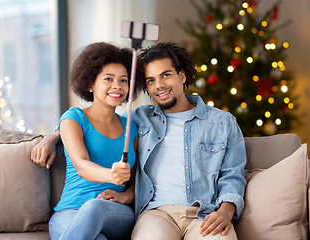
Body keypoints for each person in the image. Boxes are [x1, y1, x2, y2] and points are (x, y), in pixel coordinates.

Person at [32, 42, 247, 240]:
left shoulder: (220, 122)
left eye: (166, 75)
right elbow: (84, 131)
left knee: (95, 208)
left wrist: (226, 211)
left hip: (200, 213)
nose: (159, 86)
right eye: (151, 80)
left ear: (182, 76)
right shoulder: (141, 119)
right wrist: (52, 137)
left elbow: (233, 174)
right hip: (146, 213)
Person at [34, 42, 141, 240]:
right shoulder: (73, 118)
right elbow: (82, 165)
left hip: (115, 213)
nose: (117, 86)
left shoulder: (131, 128)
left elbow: (136, 182)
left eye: (124, 80)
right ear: (91, 84)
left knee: (95, 207)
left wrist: (125, 196)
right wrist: (111, 175)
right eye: (108, 79)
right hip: (69, 212)